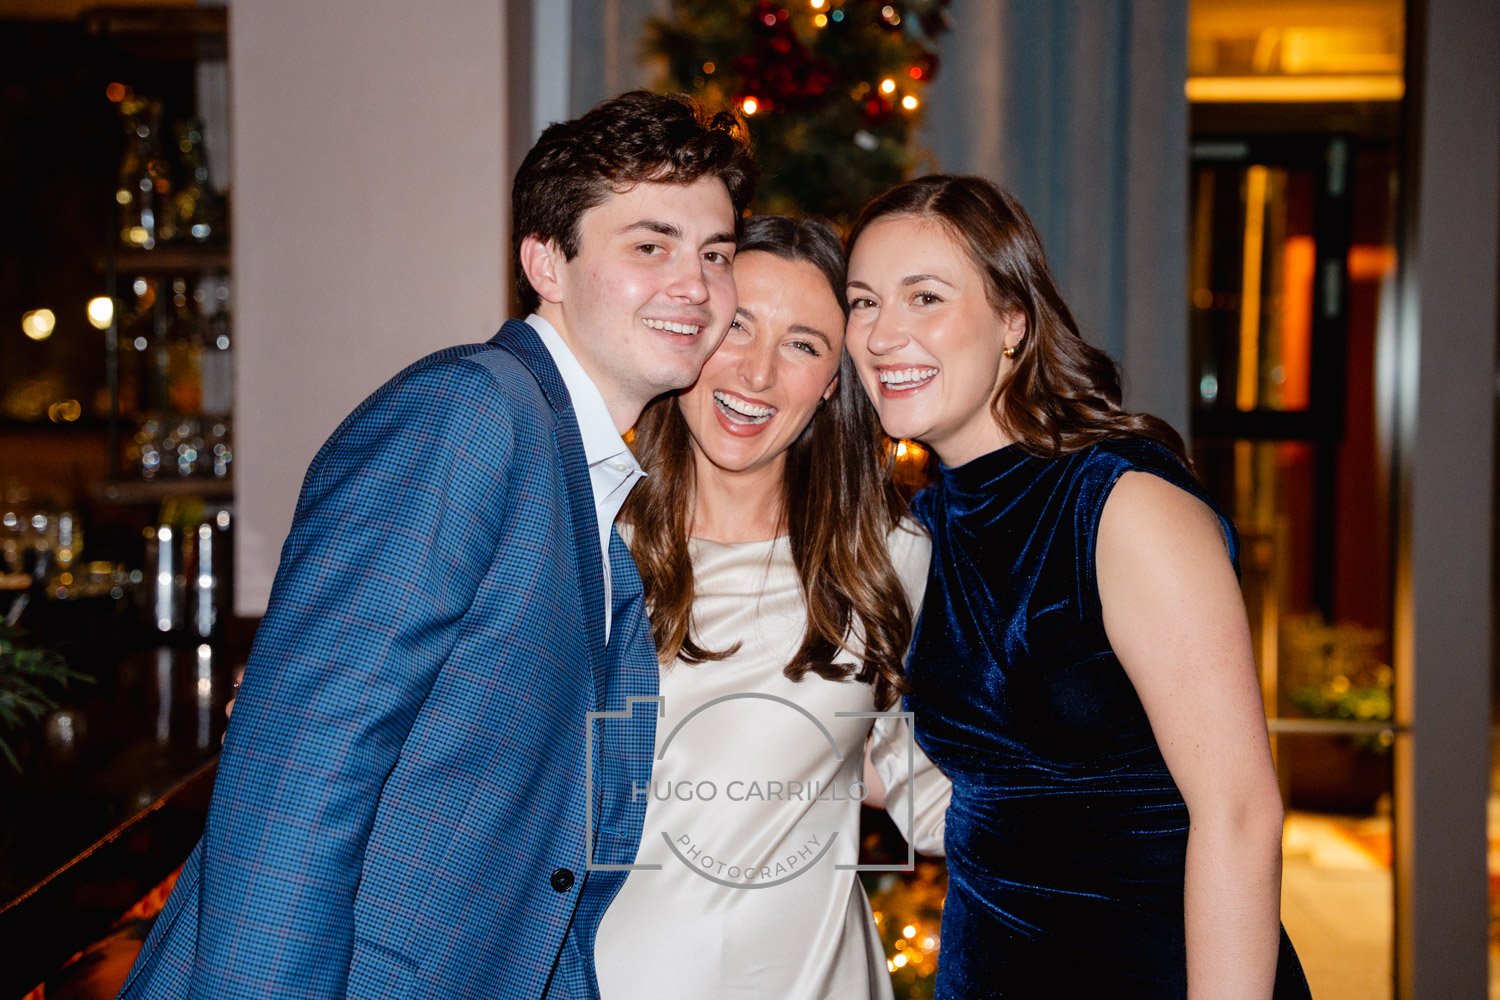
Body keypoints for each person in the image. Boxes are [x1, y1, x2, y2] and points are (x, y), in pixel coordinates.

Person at [117, 91, 754, 1000]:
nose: (694, 285)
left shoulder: (578, 467)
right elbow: (302, 765)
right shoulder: (470, 415)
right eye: (651, 246)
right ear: (546, 262)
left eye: (715, 254)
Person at [843, 175, 1312, 999]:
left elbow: (1240, 814)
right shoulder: (926, 529)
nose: (883, 335)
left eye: (925, 298)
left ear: (1013, 322)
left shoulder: (1121, 504)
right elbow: (953, 779)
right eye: (863, 302)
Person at [593, 216, 950, 999]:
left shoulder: (890, 558)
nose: (757, 373)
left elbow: (930, 790)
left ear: (833, 381)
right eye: (737, 327)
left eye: (802, 345)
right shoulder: (587, 543)